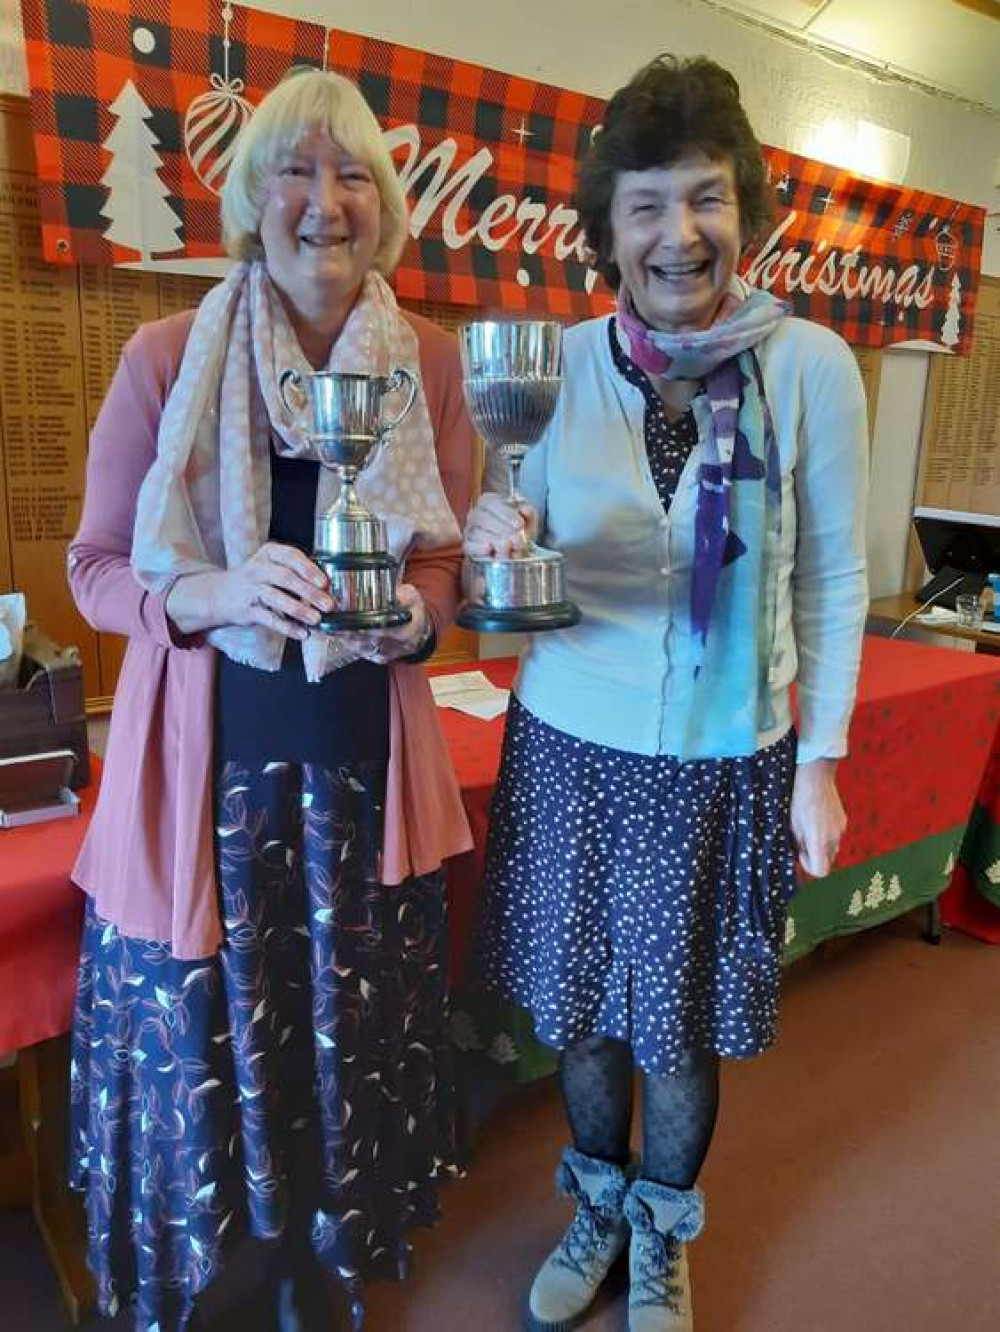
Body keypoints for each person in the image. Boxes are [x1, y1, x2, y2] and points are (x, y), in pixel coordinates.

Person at [464, 55, 868, 1332]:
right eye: (644, 203)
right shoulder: (553, 363)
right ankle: (593, 1203)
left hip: (724, 752)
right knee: (582, 1011)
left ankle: (659, 1232)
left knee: (679, 1026)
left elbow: (841, 576)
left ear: (743, 208)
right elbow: (519, 525)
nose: (675, 232)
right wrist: (493, 525)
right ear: (607, 228)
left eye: (702, 197)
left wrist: (821, 758)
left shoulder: (806, 366)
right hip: (573, 738)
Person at [66, 68, 474, 1332]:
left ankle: (322, 1265)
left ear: (387, 208)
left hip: (363, 781)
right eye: (297, 170)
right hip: (205, 794)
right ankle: (207, 1273)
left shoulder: (431, 368)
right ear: (252, 196)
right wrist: (214, 592)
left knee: (339, 1049)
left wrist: (418, 617)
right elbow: (98, 572)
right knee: (212, 1051)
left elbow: (441, 563)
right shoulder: (165, 358)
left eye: (353, 173)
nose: (325, 201)